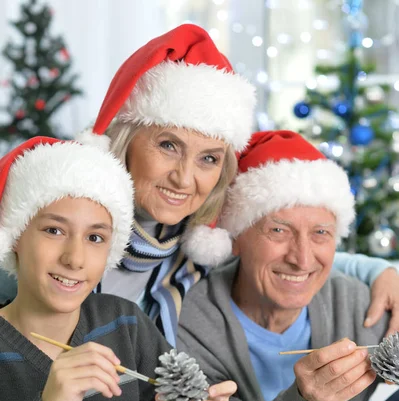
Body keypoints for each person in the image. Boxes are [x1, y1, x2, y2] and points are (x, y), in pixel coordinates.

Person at [0, 24, 397, 345]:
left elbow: (292, 254)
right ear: (125, 142)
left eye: (208, 158)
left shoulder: (197, 241)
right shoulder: (57, 225)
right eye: (168, 145)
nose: (185, 178)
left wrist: (380, 272)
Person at [0, 136, 250, 401]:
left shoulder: (123, 324)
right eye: (54, 230)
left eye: (96, 238)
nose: (75, 259)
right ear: (15, 237)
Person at [177, 130, 398, 401]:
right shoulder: (191, 322)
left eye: (321, 233)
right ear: (236, 237)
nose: (302, 260)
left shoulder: (362, 305)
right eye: (278, 231)